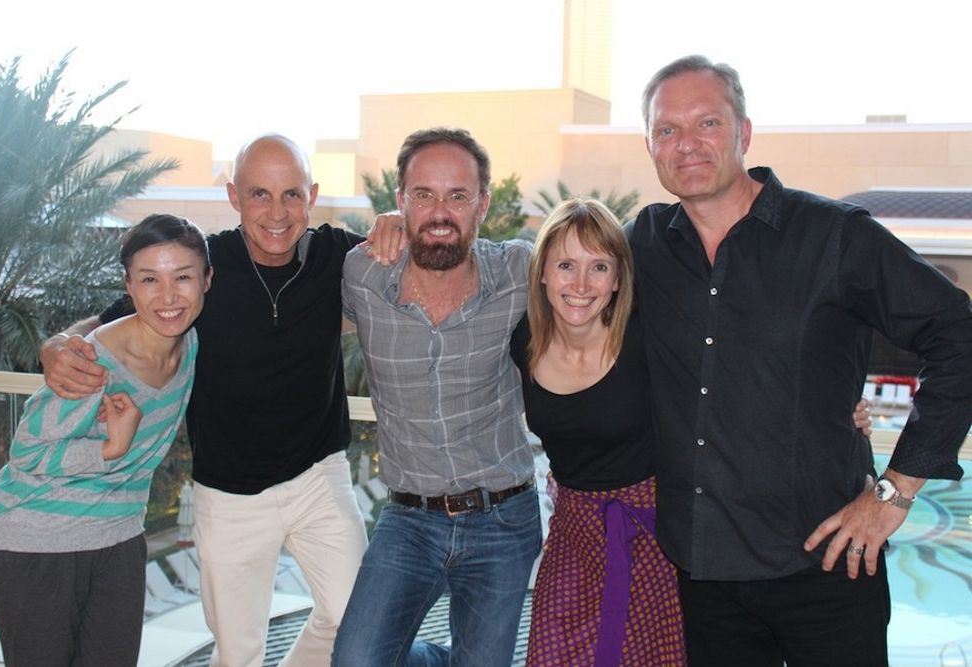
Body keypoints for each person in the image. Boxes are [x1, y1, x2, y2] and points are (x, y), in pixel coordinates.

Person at [627, 55, 972, 666]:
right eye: (667, 129)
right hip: (703, 576)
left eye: (707, 123)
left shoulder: (835, 237)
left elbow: (958, 334)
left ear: (744, 132)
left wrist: (896, 490)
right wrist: (400, 230)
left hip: (828, 565)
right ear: (650, 145)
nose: (687, 144)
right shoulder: (642, 245)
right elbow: (548, 272)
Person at [39, 135, 370, 666]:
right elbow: (109, 326)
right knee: (237, 653)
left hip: (318, 476)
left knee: (355, 618)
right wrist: (57, 346)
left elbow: (410, 259)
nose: (278, 212)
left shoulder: (336, 254)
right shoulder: (200, 269)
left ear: (311, 195)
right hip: (230, 495)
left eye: (291, 195)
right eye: (260, 194)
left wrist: (398, 219)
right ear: (234, 196)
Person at [333, 127, 541, 666]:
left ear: (483, 206)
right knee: (357, 661)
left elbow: (601, 266)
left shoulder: (520, 272)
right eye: (423, 194)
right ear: (399, 202)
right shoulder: (362, 275)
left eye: (457, 195)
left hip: (504, 516)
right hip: (409, 521)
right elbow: (272, 300)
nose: (440, 211)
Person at [0, 214, 211, 666]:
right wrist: (109, 448)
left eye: (182, 277)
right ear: (128, 286)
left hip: (120, 538)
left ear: (207, 280)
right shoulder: (93, 361)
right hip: (38, 542)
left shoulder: (189, 346)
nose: (168, 296)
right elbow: (27, 451)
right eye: (150, 279)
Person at [511, 199, 686, 665]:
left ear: (618, 278)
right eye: (566, 264)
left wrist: (841, 409)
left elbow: (730, 382)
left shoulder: (645, 340)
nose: (582, 285)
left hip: (652, 538)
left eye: (599, 267)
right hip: (572, 535)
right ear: (542, 272)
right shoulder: (524, 342)